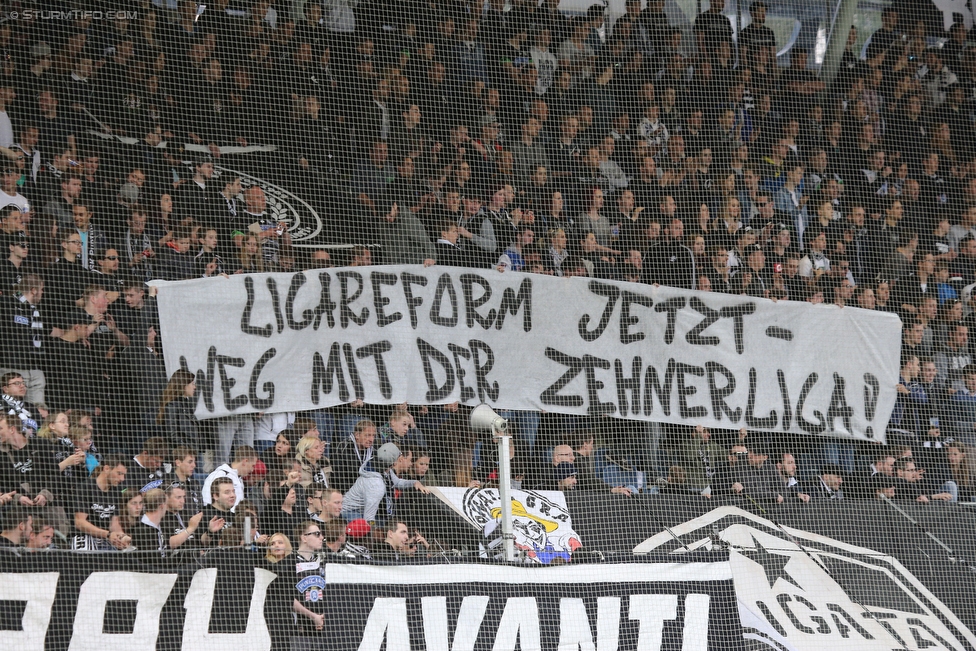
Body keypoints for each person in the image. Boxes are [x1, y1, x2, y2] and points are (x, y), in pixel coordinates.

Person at [342, 442, 431, 522]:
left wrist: (415, 482)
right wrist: (376, 532)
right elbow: (369, 519)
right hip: (349, 513)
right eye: (399, 455)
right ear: (394, 463)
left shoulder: (380, 465)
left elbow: (397, 482)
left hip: (363, 512)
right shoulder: (376, 485)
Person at [71, 454, 130, 551]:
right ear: (106, 468)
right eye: (119, 473)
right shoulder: (85, 488)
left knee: (125, 555)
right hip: (85, 535)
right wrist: (107, 534)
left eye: (124, 475)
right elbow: (79, 522)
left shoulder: (116, 491)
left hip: (106, 536)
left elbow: (114, 523)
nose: (122, 479)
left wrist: (122, 537)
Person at [292, 520, 327, 635]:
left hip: (325, 625)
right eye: (317, 534)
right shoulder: (290, 562)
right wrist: (313, 616)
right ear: (304, 538)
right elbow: (288, 598)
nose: (321, 537)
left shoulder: (324, 561)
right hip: (300, 628)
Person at [157, 369, 200, 447]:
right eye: (192, 384)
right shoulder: (172, 405)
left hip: (192, 451)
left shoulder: (185, 403)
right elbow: (172, 434)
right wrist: (186, 449)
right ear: (184, 385)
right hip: (184, 454)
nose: (195, 387)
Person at [331, 419, 377, 492]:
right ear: (357, 435)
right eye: (367, 435)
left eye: (373, 435)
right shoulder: (343, 448)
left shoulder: (374, 452)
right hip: (348, 493)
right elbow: (338, 479)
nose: (371, 439)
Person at [130, 487, 170, 556]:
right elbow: (151, 561)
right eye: (166, 504)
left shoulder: (162, 525)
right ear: (162, 506)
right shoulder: (142, 530)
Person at [200, 476, 236, 547]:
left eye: (233, 491)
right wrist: (210, 532)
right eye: (227, 492)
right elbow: (201, 543)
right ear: (216, 496)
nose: (233, 495)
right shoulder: (203, 515)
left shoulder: (236, 517)